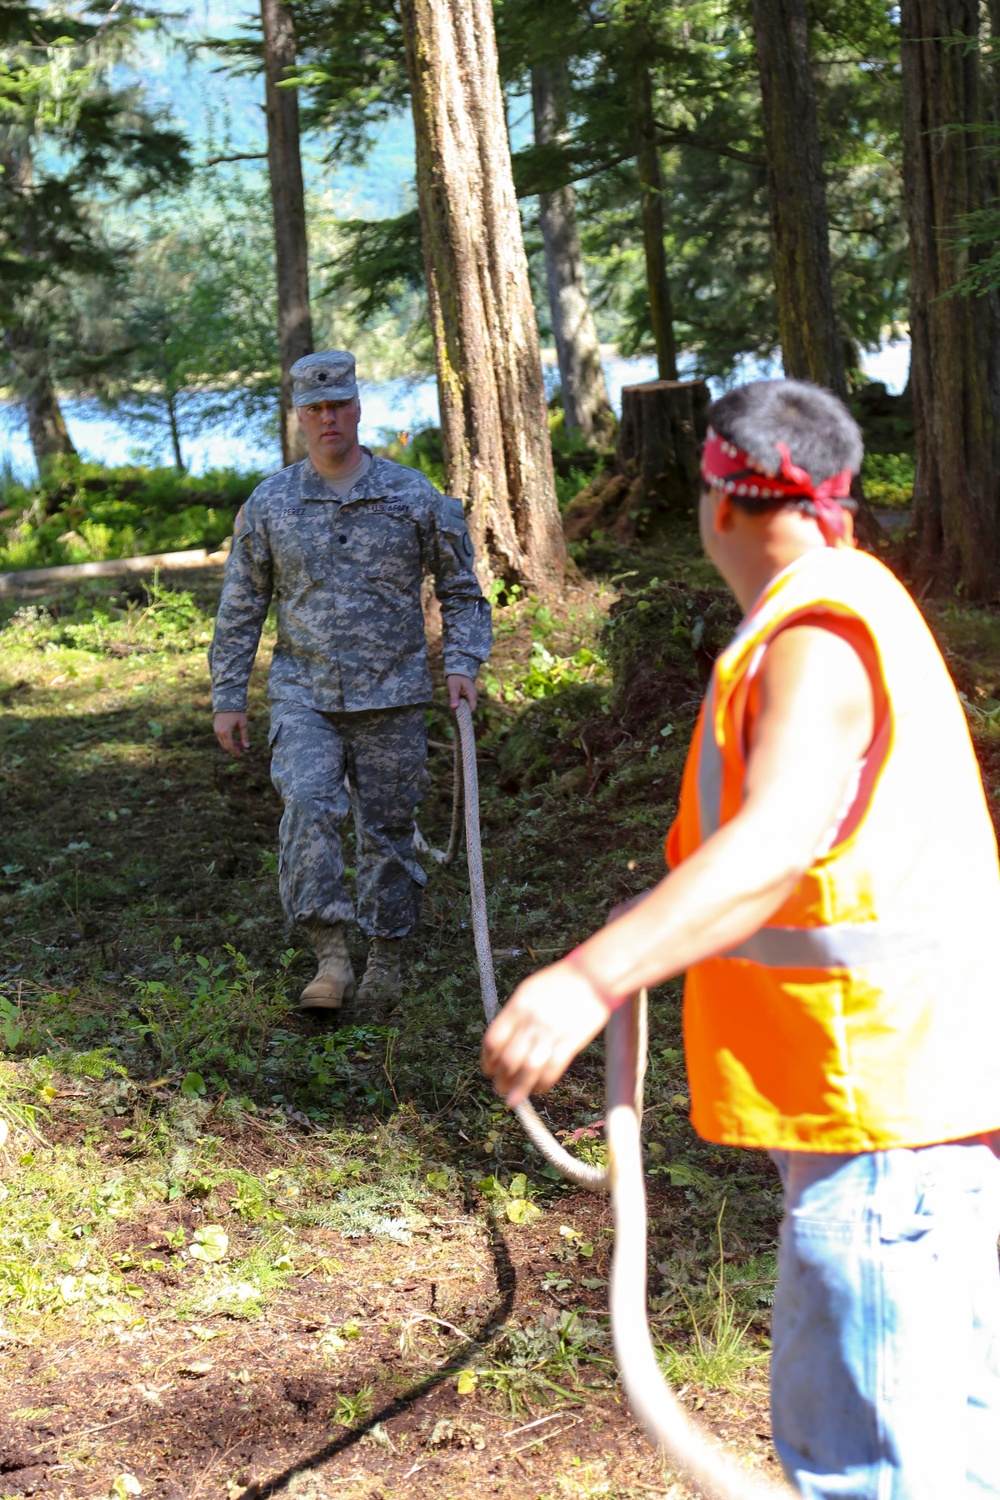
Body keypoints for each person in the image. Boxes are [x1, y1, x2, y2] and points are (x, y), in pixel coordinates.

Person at [481, 378, 1000, 1499]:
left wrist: (586, 981)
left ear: (715, 502)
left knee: (873, 1475)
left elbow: (771, 847)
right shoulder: (862, 599)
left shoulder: (815, 637)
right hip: (912, 1116)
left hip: (877, 1127)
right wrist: (653, 924)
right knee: (946, 1461)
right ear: (836, 500)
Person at [210, 350, 492, 1014]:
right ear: (300, 418)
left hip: (393, 696)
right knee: (308, 809)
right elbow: (241, 604)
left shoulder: (412, 496)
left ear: (358, 407)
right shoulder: (272, 502)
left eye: (338, 404)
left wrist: (461, 664)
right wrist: (228, 695)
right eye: (315, 408)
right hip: (304, 694)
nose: (328, 417)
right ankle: (331, 956)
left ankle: (386, 956)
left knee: (389, 828)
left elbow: (462, 593)